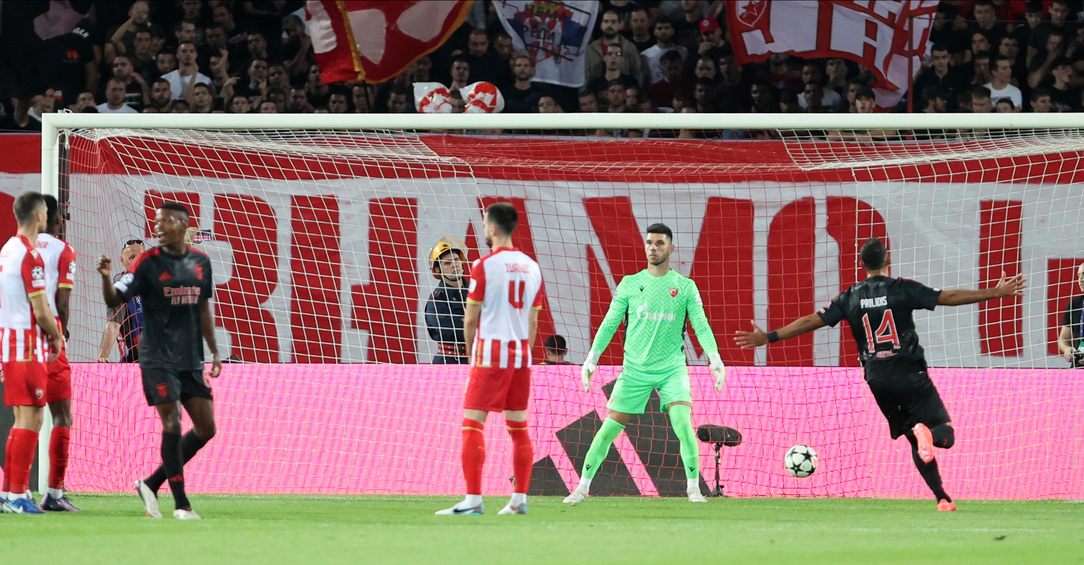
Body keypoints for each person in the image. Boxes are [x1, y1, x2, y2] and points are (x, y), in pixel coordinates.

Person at [735, 238, 1027, 511]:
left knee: (914, 441)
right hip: (910, 372)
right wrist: (995, 292)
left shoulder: (849, 296)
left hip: (877, 379)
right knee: (945, 434)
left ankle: (942, 498)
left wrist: (769, 338)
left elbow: (812, 320)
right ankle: (928, 436)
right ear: (888, 260)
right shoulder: (901, 288)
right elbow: (947, 297)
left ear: (862, 265)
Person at [566, 224, 726, 505]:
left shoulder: (685, 287)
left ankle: (693, 490)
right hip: (635, 371)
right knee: (608, 430)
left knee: (682, 425)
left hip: (671, 369)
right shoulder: (629, 283)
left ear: (671, 248)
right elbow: (609, 322)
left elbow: (701, 324)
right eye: (650, 243)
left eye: (660, 243)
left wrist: (714, 358)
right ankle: (581, 488)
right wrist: (592, 357)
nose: (653, 247)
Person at [97, 203, 221, 520]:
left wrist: (214, 351)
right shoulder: (146, 263)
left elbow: (203, 309)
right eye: (156, 221)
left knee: (206, 428)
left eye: (165, 221)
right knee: (172, 422)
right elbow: (114, 300)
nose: (158, 226)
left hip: (190, 358)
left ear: (182, 224)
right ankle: (181, 504)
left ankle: (151, 483)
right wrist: (105, 277)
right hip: (157, 356)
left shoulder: (200, 262)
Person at [437, 203, 543, 516]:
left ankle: (472, 501)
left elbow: (470, 319)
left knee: (472, 424)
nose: (484, 228)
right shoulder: (532, 266)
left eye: (485, 224)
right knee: (518, 428)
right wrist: (525, 352)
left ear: (493, 228)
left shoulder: (483, 265)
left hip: (491, 353)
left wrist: (472, 356)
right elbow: (533, 322)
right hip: (521, 356)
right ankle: (519, 500)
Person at [0, 192, 64, 514]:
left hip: (10, 346)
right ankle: (19, 496)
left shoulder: (5, 250)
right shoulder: (29, 256)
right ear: (39, 216)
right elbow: (41, 309)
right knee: (33, 417)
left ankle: (8, 493)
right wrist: (57, 336)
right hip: (26, 347)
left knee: (21, 418)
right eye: (46, 212)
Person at [34, 195, 81, 511]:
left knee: (25, 417)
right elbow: (61, 304)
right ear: (54, 218)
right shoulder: (63, 251)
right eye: (61, 215)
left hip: (19, 340)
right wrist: (59, 334)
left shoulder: (14, 248)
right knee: (61, 415)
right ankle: (53, 492)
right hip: (48, 338)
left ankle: (15, 493)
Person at [99, 239, 145, 363]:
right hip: (134, 362)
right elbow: (113, 324)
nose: (137, 262)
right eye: (132, 258)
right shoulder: (121, 286)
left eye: (140, 257)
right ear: (122, 261)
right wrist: (102, 357)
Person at [424, 237, 469, 364]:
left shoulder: (478, 293)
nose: (454, 264)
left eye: (456, 260)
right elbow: (450, 331)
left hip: (479, 362)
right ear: (438, 269)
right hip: (448, 362)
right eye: (447, 263)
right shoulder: (437, 300)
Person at [1057, 262, 1084, 367]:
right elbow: (1063, 338)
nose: (1080, 280)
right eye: (1078, 275)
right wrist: (1067, 349)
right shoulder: (1074, 304)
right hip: (1078, 367)